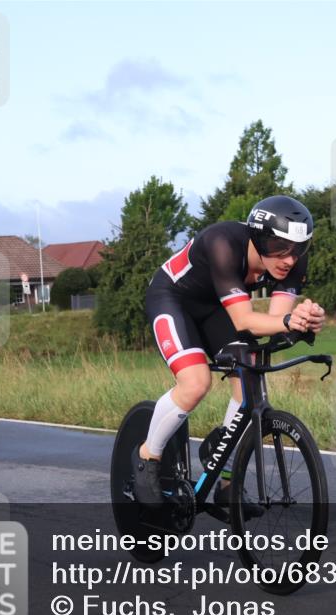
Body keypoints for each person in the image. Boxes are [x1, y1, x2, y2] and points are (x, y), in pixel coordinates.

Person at [135, 195, 325, 513]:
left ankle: (226, 483)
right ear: (260, 238)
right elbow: (244, 320)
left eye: (298, 249)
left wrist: (305, 320)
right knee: (196, 383)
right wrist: (289, 321)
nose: (289, 259)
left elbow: (277, 322)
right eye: (279, 247)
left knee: (249, 378)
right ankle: (147, 457)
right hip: (173, 299)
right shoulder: (223, 242)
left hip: (215, 309)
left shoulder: (292, 262)